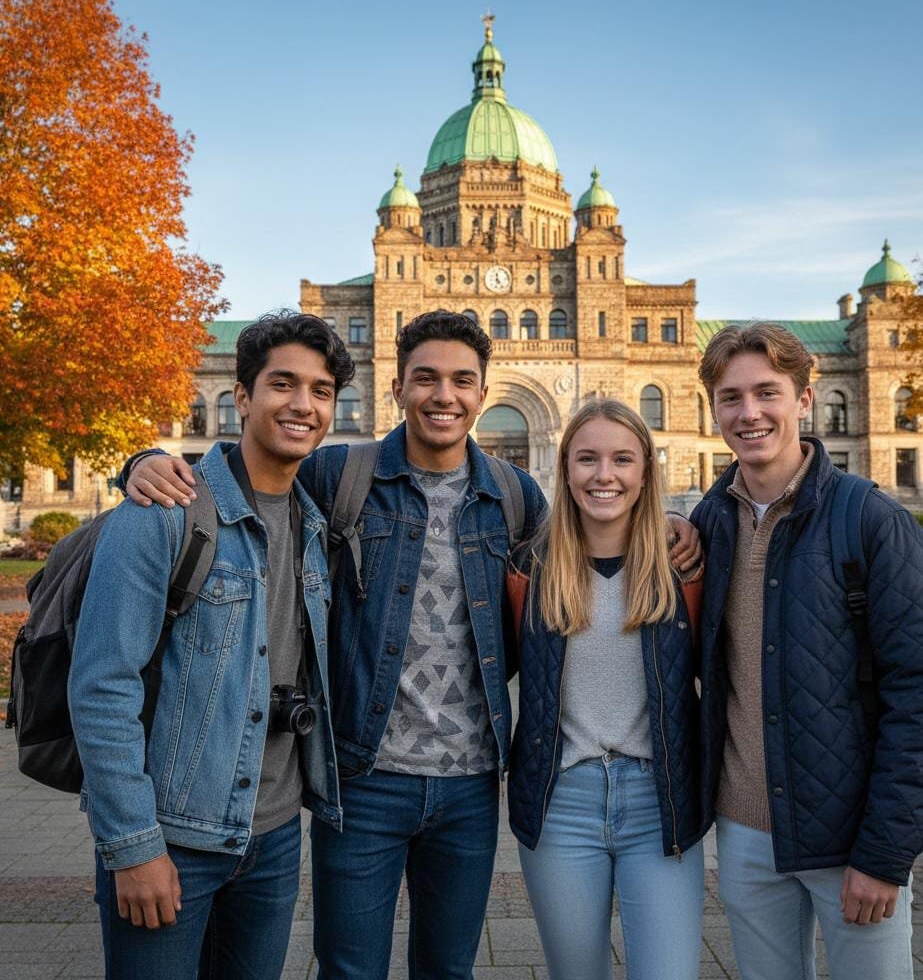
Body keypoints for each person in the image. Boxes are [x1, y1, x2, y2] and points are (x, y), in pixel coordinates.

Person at [124, 310, 702, 980]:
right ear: (395, 387)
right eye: (425, 378)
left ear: (484, 394)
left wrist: (667, 515)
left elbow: (591, 529)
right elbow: (247, 481)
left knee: (447, 969)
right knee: (349, 968)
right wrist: (147, 462)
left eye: (461, 380)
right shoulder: (339, 475)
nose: (443, 395)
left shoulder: (512, 496)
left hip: (470, 786)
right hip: (363, 778)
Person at [69, 312, 354, 979]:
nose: (301, 405)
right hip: (174, 837)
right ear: (242, 396)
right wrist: (132, 846)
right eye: (282, 384)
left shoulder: (316, 524)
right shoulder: (166, 510)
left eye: (319, 391)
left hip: (276, 838)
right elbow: (102, 684)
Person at [692, 322, 923, 980]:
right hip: (742, 834)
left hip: (848, 835)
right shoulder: (708, 524)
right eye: (730, 397)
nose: (748, 413)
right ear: (712, 409)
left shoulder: (869, 519)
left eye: (767, 392)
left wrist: (884, 852)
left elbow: (915, 691)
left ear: (804, 399)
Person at [506, 398, 708, 980]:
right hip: (560, 802)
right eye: (587, 458)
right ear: (565, 467)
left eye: (622, 459)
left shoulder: (683, 569)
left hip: (660, 803)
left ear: (645, 470)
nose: (604, 475)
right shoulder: (528, 569)